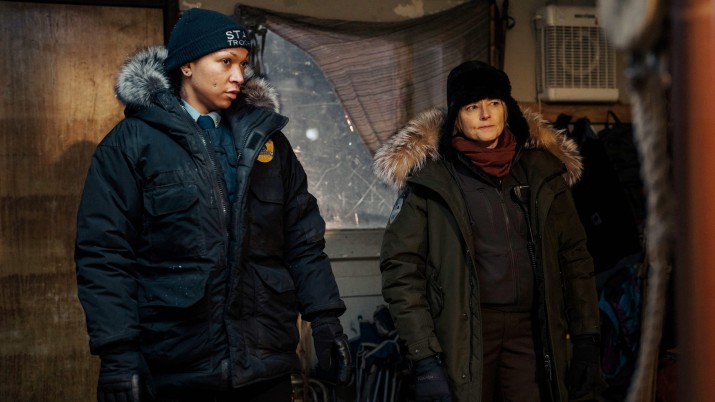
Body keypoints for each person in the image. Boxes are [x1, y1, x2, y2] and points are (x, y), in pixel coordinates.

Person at [75, 8, 352, 402]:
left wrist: (325, 320)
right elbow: (105, 254)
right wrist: (118, 351)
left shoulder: (267, 143)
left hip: (263, 365)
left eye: (242, 64)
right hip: (175, 368)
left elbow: (303, 242)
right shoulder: (132, 143)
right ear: (187, 65)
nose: (239, 76)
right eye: (225, 62)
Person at [373, 60, 606, 401]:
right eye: (472, 107)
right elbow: (401, 269)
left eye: (494, 103)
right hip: (463, 333)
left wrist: (586, 337)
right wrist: (424, 357)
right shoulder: (432, 181)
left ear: (506, 109)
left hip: (531, 333)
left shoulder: (542, 173)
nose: (485, 114)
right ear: (457, 117)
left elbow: (575, 257)